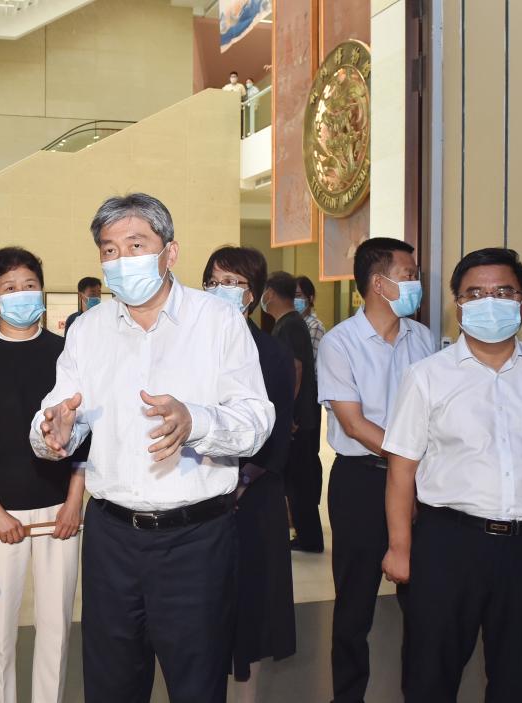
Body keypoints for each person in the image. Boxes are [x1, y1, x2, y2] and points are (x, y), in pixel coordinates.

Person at [30, 193, 275, 703]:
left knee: (197, 685)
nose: (121, 259)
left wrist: (196, 421)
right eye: (109, 249)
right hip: (111, 539)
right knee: (111, 685)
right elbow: (58, 413)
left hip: (195, 541)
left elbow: (257, 420)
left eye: (136, 244)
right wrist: (52, 432)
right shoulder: (87, 330)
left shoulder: (218, 322)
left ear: (170, 252)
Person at [382, 248, 522, 702]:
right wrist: (400, 548)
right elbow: (402, 471)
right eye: (476, 293)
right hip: (448, 545)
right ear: (458, 305)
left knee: (516, 677)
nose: (490, 302)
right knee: (430, 674)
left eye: (504, 292)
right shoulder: (426, 377)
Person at [0, 247, 86, 703]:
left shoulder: (65, 353)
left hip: (59, 510)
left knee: (57, 627)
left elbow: (86, 432)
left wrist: (74, 501)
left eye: (30, 285)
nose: (22, 294)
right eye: (10, 287)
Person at [316, 236, 435, 703]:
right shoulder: (339, 343)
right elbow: (354, 423)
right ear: (379, 283)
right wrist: (408, 456)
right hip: (362, 480)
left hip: (420, 482)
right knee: (354, 605)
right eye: (409, 275)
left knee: (423, 604)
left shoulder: (423, 339)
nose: (416, 283)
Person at [202, 247, 296, 702]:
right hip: (198, 497)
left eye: (233, 283)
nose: (221, 290)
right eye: (214, 282)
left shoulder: (271, 352)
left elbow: (277, 433)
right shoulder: (190, 346)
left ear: (253, 294)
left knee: (251, 610)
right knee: (202, 613)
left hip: (252, 498)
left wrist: (239, 483)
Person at [263, 271, 324, 553]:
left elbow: (295, 369)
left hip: (297, 419)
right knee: (298, 480)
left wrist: (287, 413)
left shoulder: (289, 325)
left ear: (270, 293)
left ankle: (309, 538)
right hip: (300, 415)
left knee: (299, 482)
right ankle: (306, 535)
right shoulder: (290, 323)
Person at [296, 274, 326, 365]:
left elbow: (310, 361)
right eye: (292, 296)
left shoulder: (315, 326)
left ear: (310, 298)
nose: (294, 300)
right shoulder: (294, 324)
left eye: (298, 295)